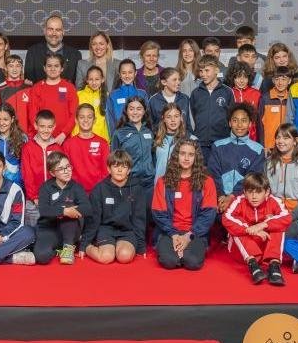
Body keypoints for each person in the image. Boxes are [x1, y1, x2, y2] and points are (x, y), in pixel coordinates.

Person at [151, 140, 217, 271]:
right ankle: (177, 254)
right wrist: (174, 235)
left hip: (195, 233)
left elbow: (208, 215)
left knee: (192, 262)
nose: (186, 158)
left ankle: (184, 253)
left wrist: (188, 236)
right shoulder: (163, 182)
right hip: (169, 232)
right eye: (182, 153)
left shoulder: (207, 182)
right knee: (168, 261)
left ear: (196, 157)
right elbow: (158, 213)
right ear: (176, 156)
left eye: (191, 154)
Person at [222, 171, 290, 285]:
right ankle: (253, 265)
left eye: (258, 192)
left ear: (267, 192)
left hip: (265, 249)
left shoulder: (274, 201)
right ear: (244, 192)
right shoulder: (239, 201)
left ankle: (274, 265)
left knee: (277, 225)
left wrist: (263, 225)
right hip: (242, 251)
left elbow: (287, 217)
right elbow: (226, 218)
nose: (254, 196)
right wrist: (248, 230)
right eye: (250, 192)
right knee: (238, 226)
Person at [81, 150, 146, 264]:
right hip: (105, 230)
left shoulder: (137, 189)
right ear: (109, 169)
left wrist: (141, 245)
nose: (120, 170)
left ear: (129, 170)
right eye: (115, 166)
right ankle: (89, 248)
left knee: (124, 256)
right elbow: (93, 220)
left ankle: (118, 248)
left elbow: (139, 218)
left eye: (124, 167)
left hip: (127, 231)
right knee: (106, 257)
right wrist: (84, 244)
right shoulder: (99, 189)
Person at [33, 152, 91, 265]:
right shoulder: (46, 187)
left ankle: (68, 247)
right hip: (49, 229)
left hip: (70, 229)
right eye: (60, 168)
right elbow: (44, 210)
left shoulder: (76, 187)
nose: (66, 171)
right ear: (52, 173)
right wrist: (63, 210)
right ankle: (59, 248)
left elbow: (87, 208)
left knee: (70, 210)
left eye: (68, 166)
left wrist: (69, 210)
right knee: (41, 257)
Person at [209, 103, 266, 210]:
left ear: (250, 124)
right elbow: (213, 174)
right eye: (235, 120)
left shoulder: (258, 150)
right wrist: (220, 195)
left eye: (244, 121)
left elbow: (251, 178)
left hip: (243, 201)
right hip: (218, 200)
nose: (239, 125)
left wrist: (232, 196)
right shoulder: (217, 146)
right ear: (230, 123)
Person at [189, 55, 234, 165]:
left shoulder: (227, 92)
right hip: (201, 142)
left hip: (221, 141)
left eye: (207, 70)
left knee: (218, 174)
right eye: (201, 71)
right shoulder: (196, 93)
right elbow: (193, 116)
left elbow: (232, 116)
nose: (203, 74)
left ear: (216, 70)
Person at [25, 53, 79, 145]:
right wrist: (43, 134)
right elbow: (33, 115)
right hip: (42, 138)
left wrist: (63, 134)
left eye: (56, 66)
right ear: (44, 68)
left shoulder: (70, 88)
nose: (52, 69)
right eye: (49, 66)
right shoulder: (36, 88)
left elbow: (74, 114)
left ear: (62, 68)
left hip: (63, 139)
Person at [20, 110, 59, 225]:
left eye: (49, 127)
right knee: (34, 236)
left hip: (54, 201)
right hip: (33, 202)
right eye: (42, 126)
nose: (46, 130)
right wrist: (35, 197)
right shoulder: (28, 148)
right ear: (35, 125)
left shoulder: (58, 148)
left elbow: (60, 174)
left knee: (52, 236)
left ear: (54, 127)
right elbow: (27, 174)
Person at [265, 123, 298, 214]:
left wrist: (294, 214)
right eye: (278, 137)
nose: (280, 141)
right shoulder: (268, 163)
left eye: (286, 138)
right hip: (273, 213)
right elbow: (264, 190)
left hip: (297, 214)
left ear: (295, 141)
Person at [62, 103, 110, 191]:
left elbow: (106, 171)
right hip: (75, 193)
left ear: (94, 120)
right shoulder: (68, 144)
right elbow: (66, 171)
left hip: (98, 192)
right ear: (76, 120)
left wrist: (100, 190)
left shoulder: (103, 143)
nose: (86, 120)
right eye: (82, 117)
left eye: (89, 117)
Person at [112, 97, 154, 194]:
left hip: (149, 183)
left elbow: (153, 156)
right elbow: (114, 159)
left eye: (139, 109)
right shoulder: (119, 133)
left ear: (144, 111)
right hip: (129, 182)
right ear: (126, 111)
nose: (135, 112)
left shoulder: (150, 131)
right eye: (131, 109)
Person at [23, 14, 82, 84]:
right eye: (50, 29)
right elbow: (29, 82)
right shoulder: (32, 52)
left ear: (63, 32)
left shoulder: (75, 55)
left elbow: (78, 85)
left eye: (58, 30)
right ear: (44, 31)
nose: (54, 33)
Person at [104, 59, 148, 139]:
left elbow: (147, 117)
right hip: (120, 136)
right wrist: (114, 138)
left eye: (130, 72)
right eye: (124, 73)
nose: (127, 76)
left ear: (135, 73)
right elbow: (110, 119)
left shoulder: (142, 94)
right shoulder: (113, 95)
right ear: (119, 74)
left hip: (139, 136)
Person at [0, 102, 24, 185]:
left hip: (16, 186)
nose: (2, 123)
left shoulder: (22, 138)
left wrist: (20, 184)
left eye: (5, 119)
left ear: (12, 119)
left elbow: (25, 167)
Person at [151, 103, 191, 182]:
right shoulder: (156, 139)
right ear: (163, 119)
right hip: (159, 186)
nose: (173, 120)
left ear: (181, 118)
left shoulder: (189, 139)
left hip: (179, 187)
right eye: (169, 117)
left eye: (176, 116)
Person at [258, 67, 295, 150]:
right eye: (277, 79)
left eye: (284, 79)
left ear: (289, 81)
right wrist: (263, 145)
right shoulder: (265, 98)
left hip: (287, 145)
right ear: (273, 80)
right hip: (269, 145)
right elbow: (259, 124)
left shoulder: (292, 98)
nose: (280, 82)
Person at [147, 67, 192, 135]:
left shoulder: (185, 98)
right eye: (174, 80)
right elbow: (150, 125)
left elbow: (188, 124)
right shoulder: (153, 100)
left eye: (179, 79)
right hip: (161, 141)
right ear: (164, 82)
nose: (178, 82)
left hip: (182, 141)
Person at [227, 61, 262, 143]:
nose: (242, 80)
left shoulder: (257, 94)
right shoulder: (228, 92)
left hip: (252, 137)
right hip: (231, 136)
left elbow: (259, 120)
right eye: (239, 77)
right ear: (233, 78)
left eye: (245, 77)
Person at [0, 55, 31, 134]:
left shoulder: (30, 88)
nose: (15, 69)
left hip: (26, 133)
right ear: (6, 68)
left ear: (22, 68)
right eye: (11, 66)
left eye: (18, 66)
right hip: (6, 134)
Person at [75, 65, 110, 142]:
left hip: (100, 138)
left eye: (97, 79)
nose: (94, 82)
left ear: (102, 79)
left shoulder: (107, 96)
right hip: (80, 137)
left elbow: (107, 121)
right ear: (86, 80)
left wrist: (106, 140)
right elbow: (74, 117)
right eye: (91, 79)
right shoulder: (78, 95)